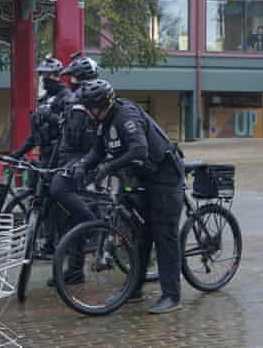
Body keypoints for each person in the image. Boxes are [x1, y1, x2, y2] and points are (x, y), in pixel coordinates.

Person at [72, 79, 185, 315]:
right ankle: (134, 289)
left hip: (163, 177)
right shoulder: (103, 120)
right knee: (139, 236)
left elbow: (139, 150)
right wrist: (84, 165)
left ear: (104, 104)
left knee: (163, 234)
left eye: (91, 107)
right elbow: (98, 150)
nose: (89, 112)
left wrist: (109, 167)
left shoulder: (126, 116)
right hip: (142, 179)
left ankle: (172, 296)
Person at [46, 54, 101, 286]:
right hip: (67, 158)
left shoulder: (84, 101)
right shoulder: (77, 99)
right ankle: (75, 270)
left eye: (74, 78)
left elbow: (79, 138)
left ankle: (94, 225)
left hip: (79, 160)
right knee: (69, 218)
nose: (71, 82)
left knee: (65, 198)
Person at [9, 57, 71, 166]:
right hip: (44, 154)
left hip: (60, 155)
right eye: (42, 74)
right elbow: (34, 135)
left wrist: (50, 116)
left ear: (57, 75)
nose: (44, 78)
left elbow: (69, 125)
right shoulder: (44, 99)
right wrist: (17, 154)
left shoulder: (67, 97)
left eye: (47, 74)